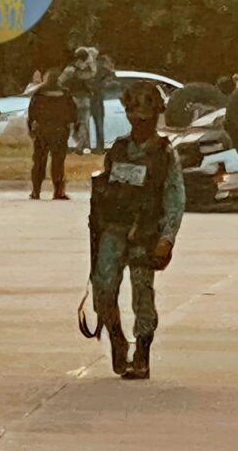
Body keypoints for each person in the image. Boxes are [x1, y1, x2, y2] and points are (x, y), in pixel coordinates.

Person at [90, 81, 185, 380]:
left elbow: (174, 197)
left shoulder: (165, 153)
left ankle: (142, 353)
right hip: (112, 231)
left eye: (147, 113)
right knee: (103, 290)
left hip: (145, 234)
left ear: (156, 114)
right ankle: (117, 339)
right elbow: (103, 193)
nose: (140, 119)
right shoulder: (118, 149)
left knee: (142, 295)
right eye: (134, 112)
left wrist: (167, 238)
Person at [27, 68, 77, 200]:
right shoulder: (65, 94)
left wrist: (31, 129)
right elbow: (73, 113)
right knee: (58, 162)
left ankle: (36, 191)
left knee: (39, 161)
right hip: (60, 131)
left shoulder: (39, 93)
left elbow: (32, 113)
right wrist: (71, 127)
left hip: (42, 131)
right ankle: (58, 191)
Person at [59, 48, 96, 153]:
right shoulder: (88, 71)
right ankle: (82, 145)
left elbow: (60, 82)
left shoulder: (70, 69)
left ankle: (66, 144)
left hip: (72, 99)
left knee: (70, 122)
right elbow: (93, 74)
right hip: (85, 99)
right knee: (84, 123)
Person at [89, 55, 114, 154]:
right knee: (96, 125)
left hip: (100, 100)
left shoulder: (106, 73)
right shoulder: (95, 72)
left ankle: (100, 147)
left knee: (99, 125)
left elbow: (107, 84)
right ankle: (97, 147)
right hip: (95, 100)